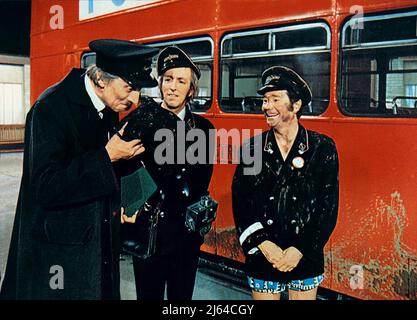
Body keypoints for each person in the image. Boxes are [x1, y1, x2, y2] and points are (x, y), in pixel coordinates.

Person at [0, 39, 159, 300]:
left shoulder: (105, 105)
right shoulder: (49, 109)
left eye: (139, 90)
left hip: (97, 247)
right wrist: (107, 155)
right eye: (129, 88)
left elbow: (108, 171)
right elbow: (46, 187)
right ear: (100, 79)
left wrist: (129, 200)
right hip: (60, 257)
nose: (134, 99)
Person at [232, 66, 339, 300]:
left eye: (275, 99)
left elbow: (327, 208)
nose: (266, 106)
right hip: (264, 255)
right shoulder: (252, 149)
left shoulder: (322, 148)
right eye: (265, 100)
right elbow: (241, 204)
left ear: (296, 105)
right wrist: (263, 244)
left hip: (304, 255)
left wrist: (299, 249)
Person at [123, 46, 214, 300]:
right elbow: (123, 166)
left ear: (191, 89)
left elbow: (201, 181)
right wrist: (132, 203)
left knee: (181, 299)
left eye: (181, 81)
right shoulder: (139, 120)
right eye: (168, 79)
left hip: (186, 236)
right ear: (160, 83)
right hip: (149, 234)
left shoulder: (204, 129)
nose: (172, 87)